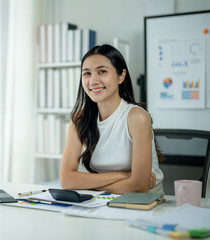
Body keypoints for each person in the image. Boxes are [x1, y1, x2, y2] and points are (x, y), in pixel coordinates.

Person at [59, 44, 164, 194]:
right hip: (103, 200)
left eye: (102, 71)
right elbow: (66, 180)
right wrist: (123, 176)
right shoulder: (79, 120)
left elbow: (139, 186)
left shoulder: (137, 117)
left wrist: (86, 183)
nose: (93, 81)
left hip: (144, 202)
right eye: (87, 73)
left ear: (121, 76)